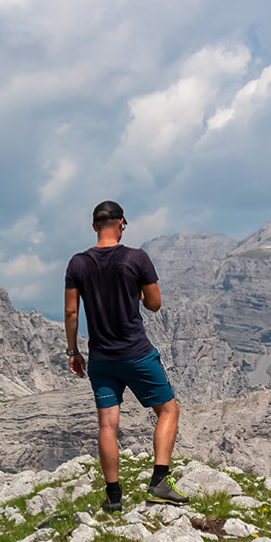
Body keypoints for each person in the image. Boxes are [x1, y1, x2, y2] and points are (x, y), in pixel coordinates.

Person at [64, 200, 188, 512]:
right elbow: (154, 304)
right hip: (136, 354)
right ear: (122, 224)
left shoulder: (77, 264)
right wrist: (139, 292)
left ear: (94, 226)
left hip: (101, 358)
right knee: (168, 410)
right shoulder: (137, 258)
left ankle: (113, 497)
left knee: (107, 425)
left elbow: (70, 312)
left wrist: (73, 351)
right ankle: (160, 482)